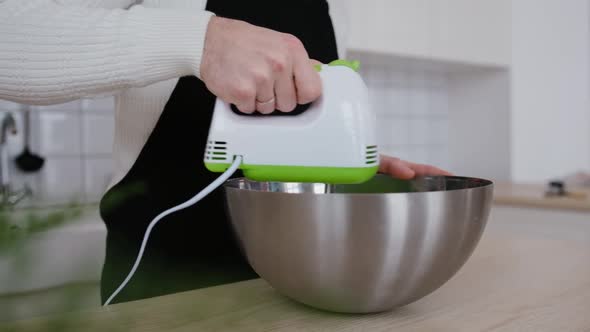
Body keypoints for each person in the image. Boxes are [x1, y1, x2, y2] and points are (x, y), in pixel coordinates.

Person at [0, 0, 451, 305]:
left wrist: (345, 157)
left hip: (301, 293)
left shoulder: (333, 6)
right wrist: (201, 41)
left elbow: (288, 119)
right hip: (163, 290)